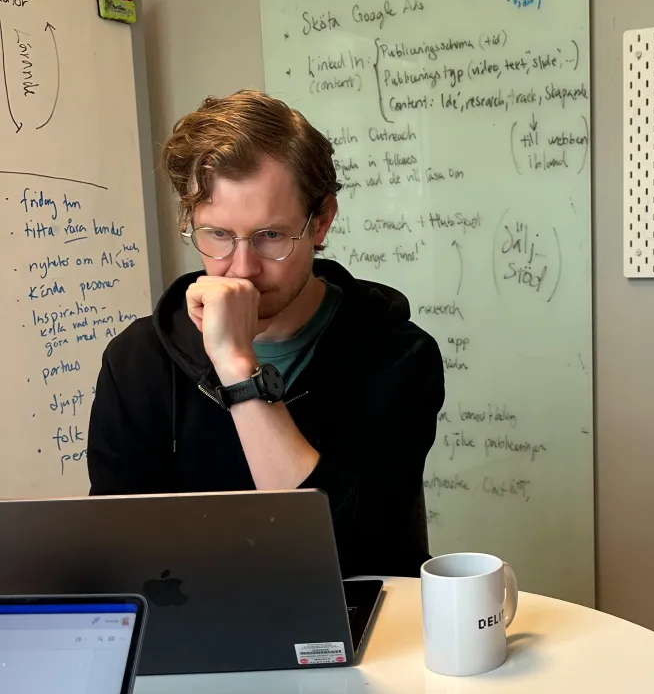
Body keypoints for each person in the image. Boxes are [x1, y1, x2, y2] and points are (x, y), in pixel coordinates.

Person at [87, 90, 445, 577]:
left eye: (270, 236)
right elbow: (114, 554)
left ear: (321, 222)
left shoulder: (398, 355)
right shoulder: (136, 361)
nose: (242, 268)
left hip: (356, 615)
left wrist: (239, 369)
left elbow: (345, 551)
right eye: (217, 234)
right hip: (195, 617)